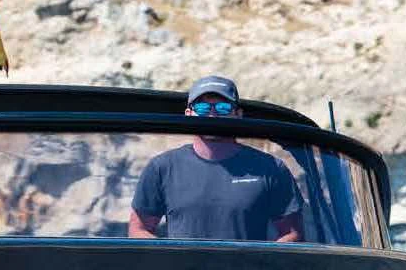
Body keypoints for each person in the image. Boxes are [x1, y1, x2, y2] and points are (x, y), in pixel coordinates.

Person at [128, 75, 305, 242]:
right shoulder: (162, 167)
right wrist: (171, 262)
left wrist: (261, 266)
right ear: (189, 114)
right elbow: (139, 230)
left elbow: (292, 235)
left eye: (223, 108)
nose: (212, 115)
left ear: (238, 114)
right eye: (203, 108)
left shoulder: (271, 168)